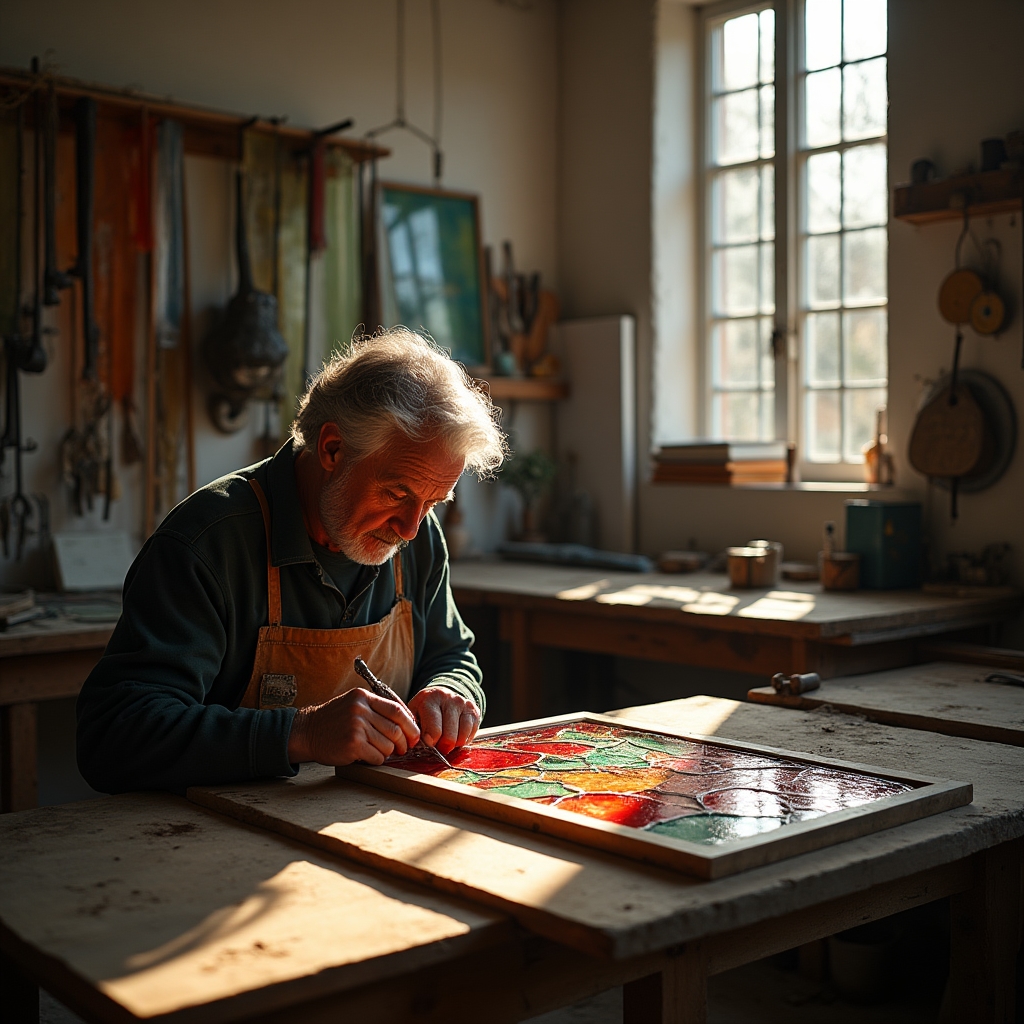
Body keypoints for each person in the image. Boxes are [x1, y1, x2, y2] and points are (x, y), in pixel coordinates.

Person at [77, 328, 506, 793]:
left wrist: (453, 691)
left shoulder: (417, 536)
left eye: (433, 503)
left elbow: (450, 654)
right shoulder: (207, 543)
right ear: (332, 449)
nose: (408, 528)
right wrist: (301, 732)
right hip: (212, 838)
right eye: (396, 493)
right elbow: (113, 736)